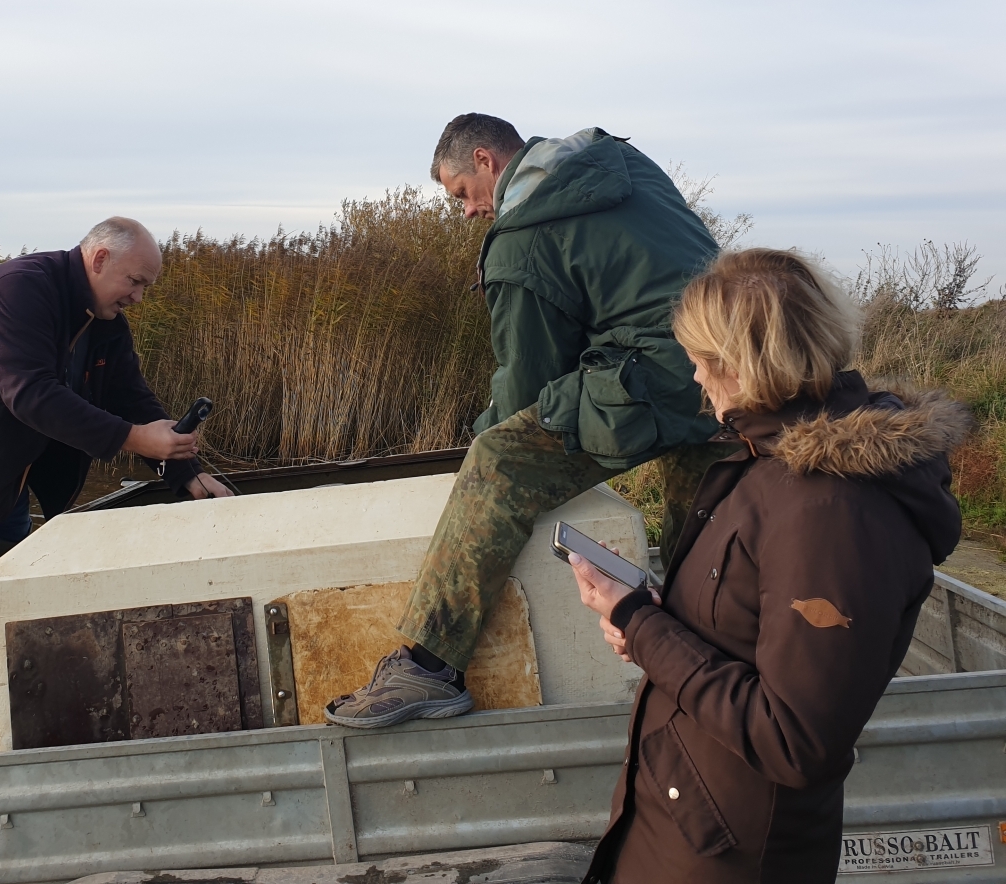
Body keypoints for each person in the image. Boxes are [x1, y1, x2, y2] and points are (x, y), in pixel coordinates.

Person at [570, 248, 966, 883]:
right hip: (688, 822)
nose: (696, 379)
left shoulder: (830, 505)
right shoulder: (769, 462)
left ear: (739, 365)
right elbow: (743, 623)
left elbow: (794, 740)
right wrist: (640, 612)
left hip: (731, 855)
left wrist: (643, 626)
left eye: (700, 362)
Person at [327, 114, 730, 727]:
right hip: (734, 363)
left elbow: (527, 386)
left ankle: (429, 666)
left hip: (663, 376)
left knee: (500, 458)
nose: (466, 212)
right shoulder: (615, 162)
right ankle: (710, 641)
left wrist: (484, 436)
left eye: (461, 193)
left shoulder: (524, 233)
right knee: (698, 503)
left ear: (487, 161)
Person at [0, 217, 231, 754]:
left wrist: (186, 472)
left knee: (9, 609)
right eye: (136, 282)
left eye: (147, 287)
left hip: (7, 481)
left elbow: (130, 397)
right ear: (98, 260)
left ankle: (10, 733)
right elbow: (28, 394)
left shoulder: (105, 320)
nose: (140, 297)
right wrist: (136, 440)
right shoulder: (18, 288)